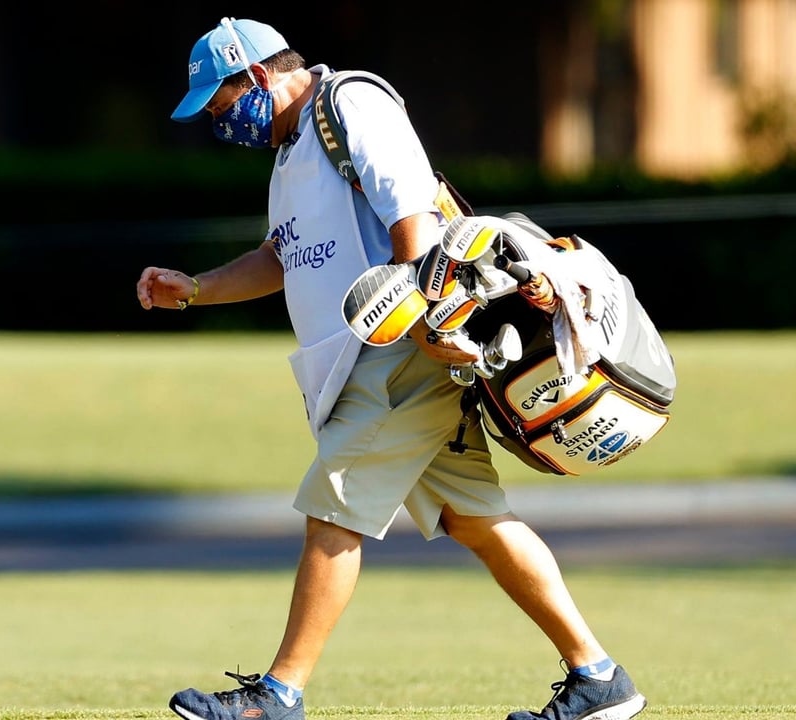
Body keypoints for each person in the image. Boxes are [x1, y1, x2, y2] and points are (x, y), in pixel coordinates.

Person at [134, 17, 647, 720]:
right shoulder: (291, 150)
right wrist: (194, 288)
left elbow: (414, 219)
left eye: (222, 105)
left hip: (398, 354)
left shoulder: (349, 103)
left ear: (255, 75)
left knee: (334, 512)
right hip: (375, 362)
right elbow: (279, 257)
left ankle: (276, 696)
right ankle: (600, 679)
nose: (223, 124)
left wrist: (432, 321)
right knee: (476, 519)